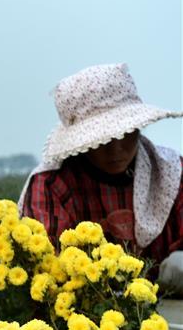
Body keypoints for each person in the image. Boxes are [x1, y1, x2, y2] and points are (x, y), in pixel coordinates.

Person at [20, 63, 183, 291]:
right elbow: (47, 270)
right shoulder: (52, 184)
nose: (117, 149)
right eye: (103, 140)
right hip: (81, 313)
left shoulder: (170, 173)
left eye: (126, 133)